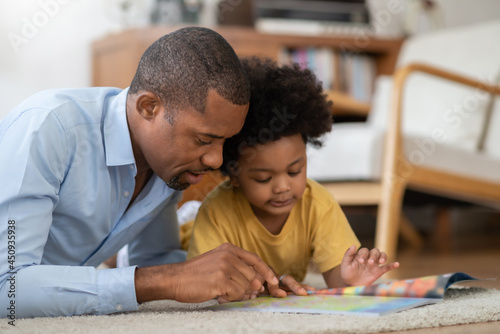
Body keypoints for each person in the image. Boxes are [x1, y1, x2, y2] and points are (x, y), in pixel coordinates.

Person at [0, 27, 282, 319]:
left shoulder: (168, 168)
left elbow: (156, 260)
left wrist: (242, 280)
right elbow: (7, 287)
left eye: (225, 141)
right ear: (149, 107)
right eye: (203, 140)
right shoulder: (47, 129)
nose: (216, 159)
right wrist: (169, 279)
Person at [185, 57, 399, 297]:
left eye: (295, 171)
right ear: (233, 174)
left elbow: (336, 277)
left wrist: (350, 279)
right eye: (264, 178)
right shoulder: (216, 213)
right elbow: (207, 282)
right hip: (186, 236)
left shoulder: (318, 204)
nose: (283, 187)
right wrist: (260, 285)